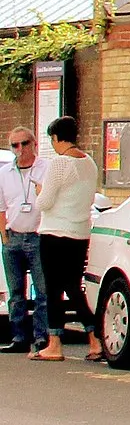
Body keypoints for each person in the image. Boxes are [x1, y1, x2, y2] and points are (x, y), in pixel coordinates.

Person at [31, 117, 100, 362]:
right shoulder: (89, 163)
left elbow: (45, 202)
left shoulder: (59, 163)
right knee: (73, 287)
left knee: (53, 290)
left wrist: (39, 191)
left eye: (53, 139)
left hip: (55, 232)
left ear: (57, 138)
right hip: (79, 232)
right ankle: (95, 339)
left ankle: (54, 343)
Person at [0, 128, 49, 355]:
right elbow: (1, 208)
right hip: (14, 234)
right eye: (15, 145)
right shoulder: (5, 173)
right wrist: (4, 235)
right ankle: (19, 336)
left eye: (24, 143)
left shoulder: (45, 168)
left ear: (34, 143)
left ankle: (42, 337)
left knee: (42, 291)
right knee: (16, 293)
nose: (20, 149)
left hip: (37, 235)